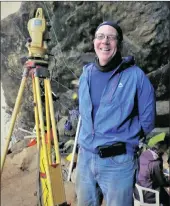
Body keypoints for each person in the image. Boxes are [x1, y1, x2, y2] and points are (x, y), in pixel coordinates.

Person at [75, 21, 156, 206]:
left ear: (118, 43)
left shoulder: (136, 76)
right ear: (94, 42)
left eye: (111, 37)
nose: (105, 41)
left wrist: (125, 140)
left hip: (119, 164)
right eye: (100, 36)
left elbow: (148, 121)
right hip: (85, 160)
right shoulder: (85, 74)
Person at [134, 135, 170, 206]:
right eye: (167, 147)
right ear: (164, 146)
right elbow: (162, 182)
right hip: (149, 195)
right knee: (167, 198)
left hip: (138, 191)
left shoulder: (144, 153)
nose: (167, 149)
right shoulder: (155, 162)